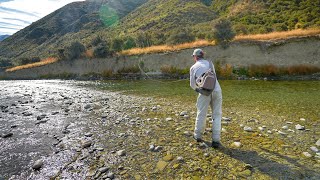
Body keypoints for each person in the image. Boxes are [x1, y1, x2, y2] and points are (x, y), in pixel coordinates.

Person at [189, 48, 222, 148]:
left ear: (195, 57)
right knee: (217, 115)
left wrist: (200, 91)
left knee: (201, 113)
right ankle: (216, 140)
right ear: (203, 55)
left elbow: (192, 85)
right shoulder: (210, 64)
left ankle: (198, 136)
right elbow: (214, 77)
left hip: (204, 92)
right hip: (217, 90)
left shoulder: (193, 67)